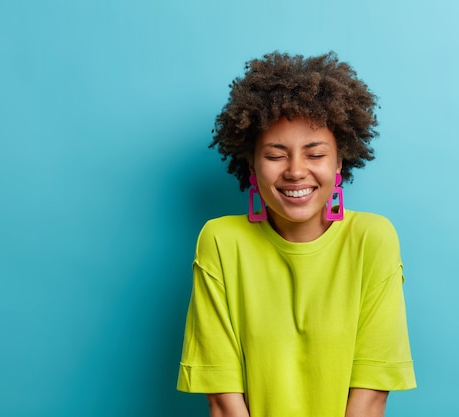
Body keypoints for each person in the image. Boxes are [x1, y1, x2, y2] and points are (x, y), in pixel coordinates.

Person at [177, 51, 416, 417]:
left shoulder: (372, 239)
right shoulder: (221, 242)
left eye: (314, 154)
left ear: (339, 162)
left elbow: (370, 398)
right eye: (275, 155)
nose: (295, 171)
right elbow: (224, 402)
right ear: (252, 166)